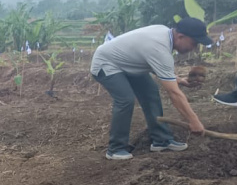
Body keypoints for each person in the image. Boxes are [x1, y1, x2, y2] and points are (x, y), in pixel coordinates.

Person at [90, 18, 209, 160]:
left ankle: (161, 140)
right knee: (125, 99)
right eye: (194, 43)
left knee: (151, 92)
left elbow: (157, 65)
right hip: (106, 63)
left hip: (128, 64)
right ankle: (116, 148)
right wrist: (193, 120)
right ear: (181, 36)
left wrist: (179, 80)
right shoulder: (159, 47)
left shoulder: (165, 34)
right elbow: (174, 93)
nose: (194, 48)